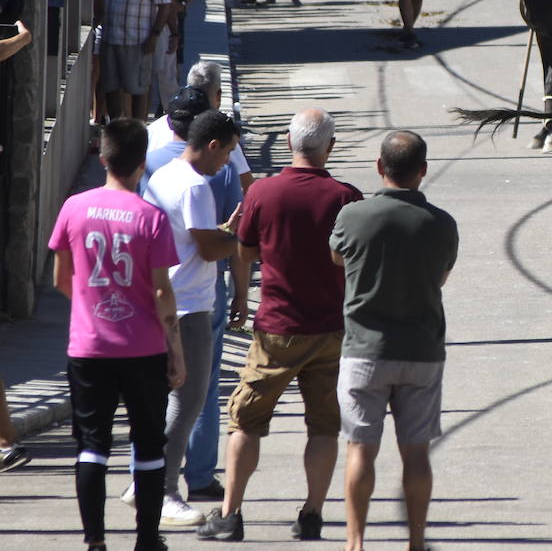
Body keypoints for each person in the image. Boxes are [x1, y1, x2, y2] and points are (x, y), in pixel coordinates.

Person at [196, 109, 362, 542]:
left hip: (277, 327)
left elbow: (245, 251)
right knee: (324, 425)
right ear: (330, 146)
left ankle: (230, 514)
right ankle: (312, 513)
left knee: (246, 420)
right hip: (330, 327)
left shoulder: (264, 193)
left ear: (287, 141)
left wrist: (244, 292)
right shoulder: (346, 197)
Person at [49, 119, 185, 551]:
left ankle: (95, 542)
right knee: (148, 443)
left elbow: (61, 279)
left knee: (92, 446)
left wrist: (91, 308)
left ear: (102, 157)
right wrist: (175, 350)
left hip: (89, 347)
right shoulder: (151, 217)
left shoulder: (74, 207)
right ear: (142, 163)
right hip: (143, 348)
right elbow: (163, 289)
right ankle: (146, 540)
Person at [330, 131, 458, 551]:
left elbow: (337, 256)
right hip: (421, 350)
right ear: (422, 171)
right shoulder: (442, 223)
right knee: (416, 453)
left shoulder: (353, 216)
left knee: (360, 449)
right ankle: (416, 542)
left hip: (364, 349)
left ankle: (355, 541)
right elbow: (440, 278)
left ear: (379, 167)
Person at [140, 110, 243, 529]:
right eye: (228, 154)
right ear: (213, 145)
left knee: (163, 402)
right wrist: (236, 235)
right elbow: (208, 249)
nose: (227, 165)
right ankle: (163, 490)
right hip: (191, 305)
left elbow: (189, 236)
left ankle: (143, 481)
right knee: (188, 403)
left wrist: (218, 231)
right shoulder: (198, 186)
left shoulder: (164, 174)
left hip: (162, 300)